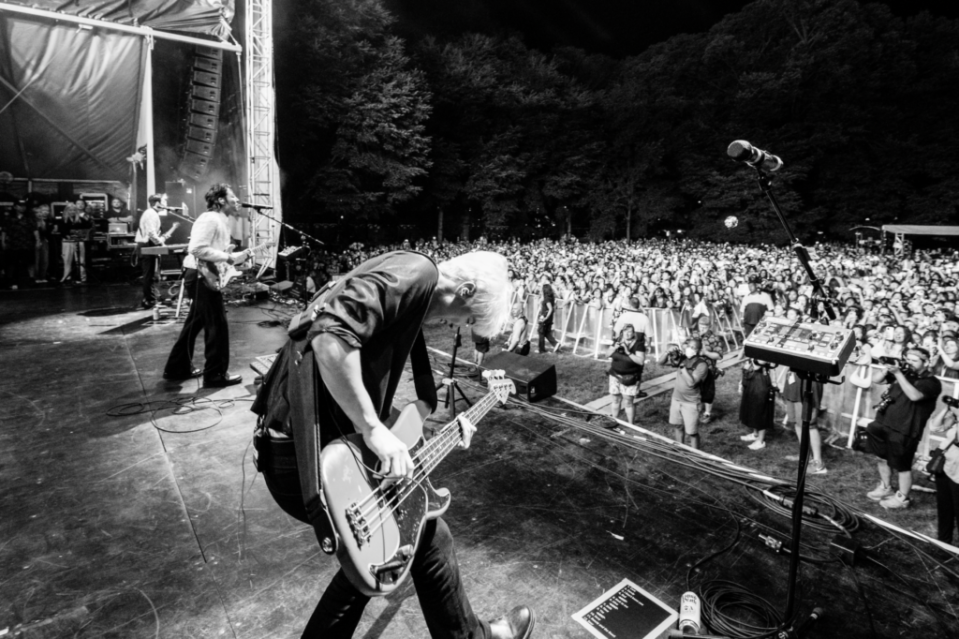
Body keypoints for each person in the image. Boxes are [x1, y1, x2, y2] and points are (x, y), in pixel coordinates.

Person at [251, 250, 535, 639]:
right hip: (308, 459)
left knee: (386, 554)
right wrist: (372, 429)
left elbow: (363, 386)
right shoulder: (416, 273)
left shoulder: (409, 288)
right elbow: (329, 337)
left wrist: (429, 433)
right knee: (414, 541)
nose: (458, 325)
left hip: (303, 449)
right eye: (468, 317)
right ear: (464, 289)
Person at [162, 184, 251, 387]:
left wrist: (232, 256)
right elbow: (196, 248)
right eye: (233, 196)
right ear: (220, 200)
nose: (237, 200)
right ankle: (215, 374)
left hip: (201, 275)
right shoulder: (210, 218)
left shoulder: (221, 220)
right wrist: (228, 258)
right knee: (217, 325)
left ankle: (177, 367)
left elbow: (213, 251)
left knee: (194, 324)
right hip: (201, 277)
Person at [864, 347, 942, 509]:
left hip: (905, 429)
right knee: (881, 457)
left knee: (902, 465)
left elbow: (914, 396)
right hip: (883, 421)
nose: (910, 363)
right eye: (908, 359)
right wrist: (887, 369)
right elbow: (876, 379)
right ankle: (885, 487)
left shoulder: (932, 382)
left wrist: (899, 374)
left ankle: (902, 498)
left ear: (926, 362)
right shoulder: (904, 373)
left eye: (914, 360)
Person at [659, 337, 709, 449]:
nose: (689, 349)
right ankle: (681, 449)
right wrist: (668, 352)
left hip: (691, 403)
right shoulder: (683, 358)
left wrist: (682, 366)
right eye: (688, 346)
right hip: (676, 399)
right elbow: (660, 363)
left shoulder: (702, 365)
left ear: (698, 350)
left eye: (693, 347)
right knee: (678, 426)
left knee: (692, 432)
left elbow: (692, 383)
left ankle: (696, 455)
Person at [780, 368, 827, 474]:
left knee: (810, 424)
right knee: (797, 422)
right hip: (794, 376)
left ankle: (818, 464)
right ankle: (805, 455)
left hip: (809, 379)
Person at [135, 193, 176, 309]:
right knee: (149, 274)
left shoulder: (152, 213)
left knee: (151, 274)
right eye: (164, 201)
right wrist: (161, 244)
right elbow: (151, 233)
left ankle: (151, 298)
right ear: (157, 203)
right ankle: (149, 300)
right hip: (147, 244)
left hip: (149, 244)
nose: (166, 204)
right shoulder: (150, 214)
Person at [927, 400, 959, 544]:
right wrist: (947, 409)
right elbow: (935, 427)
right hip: (946, 466)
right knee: (944, 507)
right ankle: (943, 543)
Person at [607, 323, 645, 425]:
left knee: (628, 402)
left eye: (630, 331)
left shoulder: (638, 344)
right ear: (622, 332)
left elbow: (640, 361)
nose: (628, 334)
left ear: (633, 333)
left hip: (630, 377)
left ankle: (631, 425)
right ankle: (614, 421)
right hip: (615, 375)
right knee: (615, 399)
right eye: (625, 331)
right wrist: (615, 347)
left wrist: (628, 352)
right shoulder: (617, 341)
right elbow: (607, 354)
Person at [738, 358, 777, 450]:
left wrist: (752, 363)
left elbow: (761, 362)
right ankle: (755, 434)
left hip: (761, 381)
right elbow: (740, 358)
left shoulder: (764, 352)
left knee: (760, 410)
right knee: (752, 407)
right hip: (753, 380)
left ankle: (760, 441)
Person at [537, 278, 559, 353]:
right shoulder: (551, 297)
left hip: (545, 317)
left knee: (541, 332)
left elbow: (550, 309)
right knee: (546, 332)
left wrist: (545, 318)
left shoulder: (547, 299)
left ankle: (541, 349)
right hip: (549, 317)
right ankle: (556, 344)